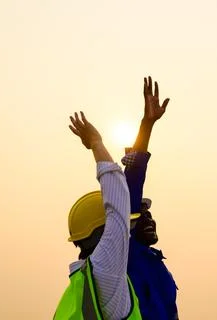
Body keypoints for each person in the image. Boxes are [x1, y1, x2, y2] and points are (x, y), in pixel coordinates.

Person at [54, 112, 142, 320]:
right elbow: (118, 208)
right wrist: (97, 144)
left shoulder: (78, 287)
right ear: (101, 233)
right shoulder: (106, 271)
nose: (127, 234)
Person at [121, 76, 179, 320]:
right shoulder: (127, 256)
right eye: (141, 215)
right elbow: (133, 177)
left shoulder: (156, 263)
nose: (150, 219)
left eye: (150, 214)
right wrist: (147, 125)